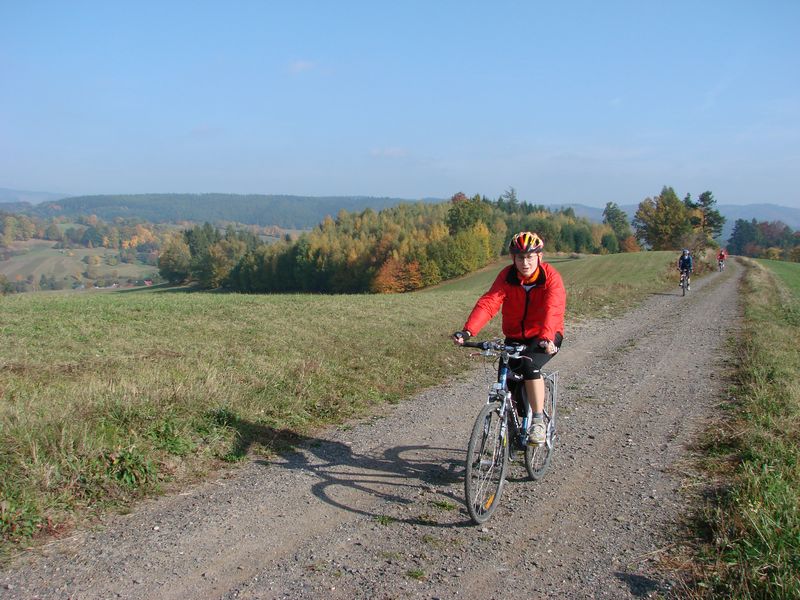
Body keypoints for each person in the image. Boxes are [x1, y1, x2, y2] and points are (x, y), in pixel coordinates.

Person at [452, 231, 566, 445]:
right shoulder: (507, 276)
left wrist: (547, 337)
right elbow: (489, 303)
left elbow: (554, 308)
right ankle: (512, 430)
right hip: (514, 336)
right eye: (520, 257)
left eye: (530, 257)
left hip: (544, 336)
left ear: (539, 257)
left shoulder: (550, 277)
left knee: (530, 366)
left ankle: (538, 423)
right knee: (508, 380)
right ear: (513, 258)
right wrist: (468, 331)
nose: (525, 262)